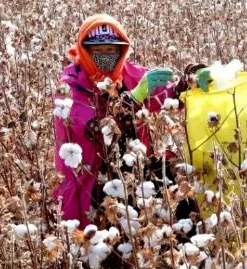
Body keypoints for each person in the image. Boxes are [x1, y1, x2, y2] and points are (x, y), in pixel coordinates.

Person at [52, 14, 200, 229]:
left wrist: (189, 83)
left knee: (180, 188)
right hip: (94, 176)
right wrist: (133, 99)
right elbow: (98, 130)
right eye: (98, 51)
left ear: (121, 51)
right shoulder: (70, 86)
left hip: (136, 165)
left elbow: (166, 95)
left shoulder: (130, 74)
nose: (105, 56)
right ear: (85, 50)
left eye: (111, 50)